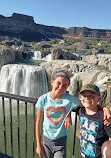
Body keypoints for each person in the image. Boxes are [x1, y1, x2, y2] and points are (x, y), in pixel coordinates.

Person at [36, 70, 111, 158]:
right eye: (58, 83)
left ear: (67, 87)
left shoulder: (69, 99)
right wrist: (38, 144)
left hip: (61, 140)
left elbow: (88, 104)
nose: (60, 87)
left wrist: (105, 109)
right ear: (52, 82)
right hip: (46, 139)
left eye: (65, 86)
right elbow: (38, 122)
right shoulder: (43, 99)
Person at [78, 84, 111, 158]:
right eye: (84, 95)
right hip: (83, 154)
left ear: (99, 99)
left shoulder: (104, 117)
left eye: (91, 96)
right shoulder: (80, 110)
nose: (87, 98)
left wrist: (106, 110)